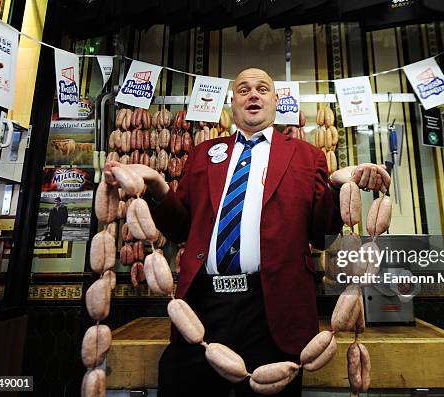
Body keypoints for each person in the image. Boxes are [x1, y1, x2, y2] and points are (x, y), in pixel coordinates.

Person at [104, 68, 387, 396]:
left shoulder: (306, 155)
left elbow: (319, 230)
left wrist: (340, 186)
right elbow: (181, 227)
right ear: (233, 102)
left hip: (275, 309)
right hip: (204, 304)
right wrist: (157, 184)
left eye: (263, 89)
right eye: (244, 89)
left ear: (275, 101)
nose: (253, 95)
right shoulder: (204, 154)